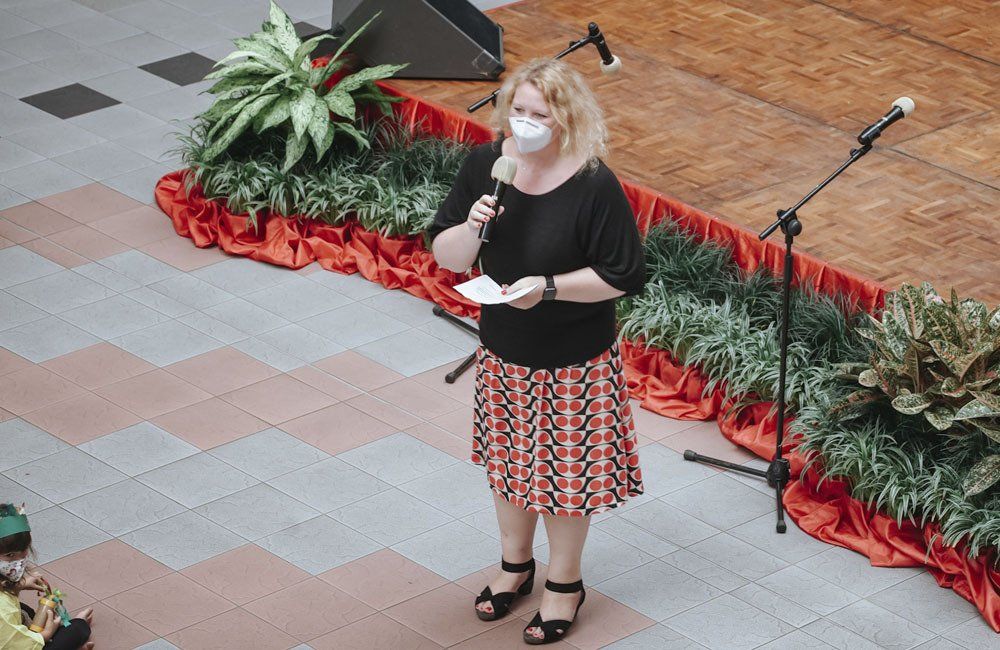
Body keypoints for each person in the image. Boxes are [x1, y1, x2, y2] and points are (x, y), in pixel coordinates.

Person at [428, 58, 646, 645]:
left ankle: (565, 584)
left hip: (574, 359)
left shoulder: (592, 183)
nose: (524, 124)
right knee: (509, 465)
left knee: (564, 477)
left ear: (566, 120)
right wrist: (473, 227)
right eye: (517, 112)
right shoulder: (488, 166)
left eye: (538, 115)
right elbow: (447, 255)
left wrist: (548, 289)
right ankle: (514, 566)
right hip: (505, 350)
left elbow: (624, 273)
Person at [0, 504, 94, 650]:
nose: (18, 561)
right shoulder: (3, 610)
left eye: (23, 551)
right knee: (77, 629)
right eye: (10, 555)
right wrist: (48, 633)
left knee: (25, 611)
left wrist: (18, 586)